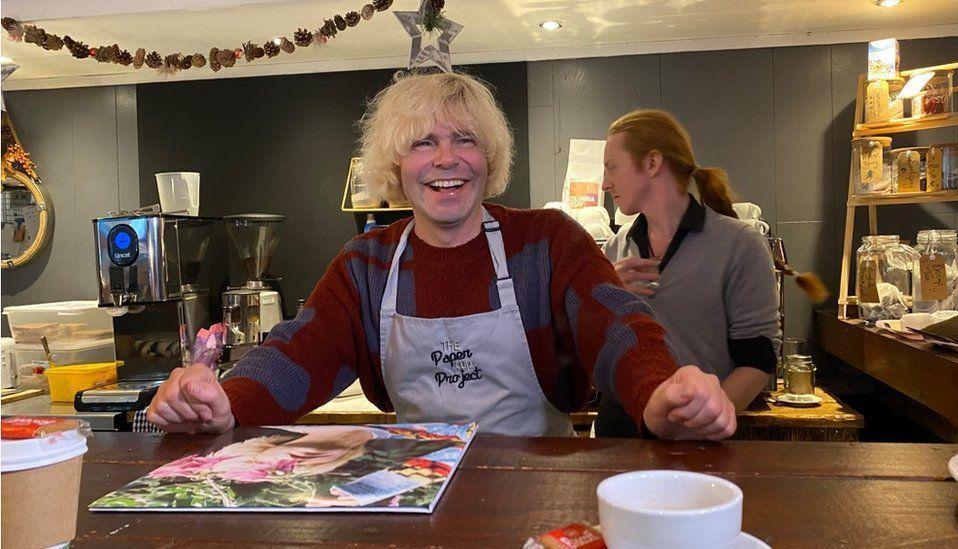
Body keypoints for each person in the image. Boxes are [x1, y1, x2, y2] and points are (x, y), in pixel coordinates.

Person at [146, 72, 736, 441]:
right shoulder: (367, 264)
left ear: (491, 158)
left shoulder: (547, 243)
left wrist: (660, 394)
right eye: (423, 142)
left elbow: (618, 328)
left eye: (466, 140)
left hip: (538, 488)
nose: (445, 158)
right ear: (396, 167)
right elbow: (300, 353)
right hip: (411, 496)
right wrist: (224, 401)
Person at [597, 109, 781, 437]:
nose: (605, 183)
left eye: (612, 167)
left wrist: (700, 426)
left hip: (698, 446)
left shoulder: (740, 245)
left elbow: (759, 358)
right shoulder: (615, 248)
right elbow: (594, 350)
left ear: (652, 163)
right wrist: (601, 293)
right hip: (618, 439)